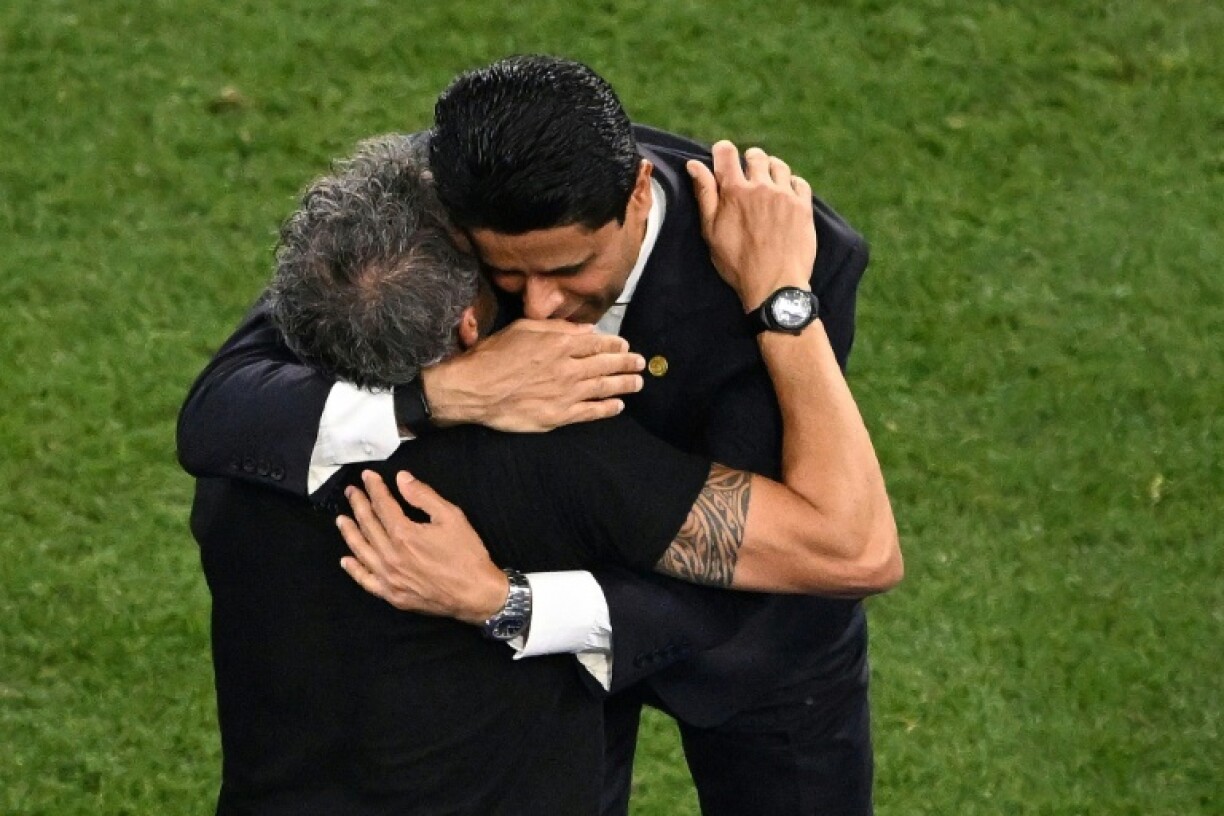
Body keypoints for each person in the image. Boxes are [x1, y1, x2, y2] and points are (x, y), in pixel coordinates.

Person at [177, 56, 879, 814]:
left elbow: (810, 552)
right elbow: (220, 410)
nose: (541, 309)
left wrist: (508, 602)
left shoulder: (792, 260)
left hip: (751, 647)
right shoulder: (415, 209)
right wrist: (440, 394)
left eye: (571, 268)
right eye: (507, 276)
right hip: (545, 654)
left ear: (638, 191)